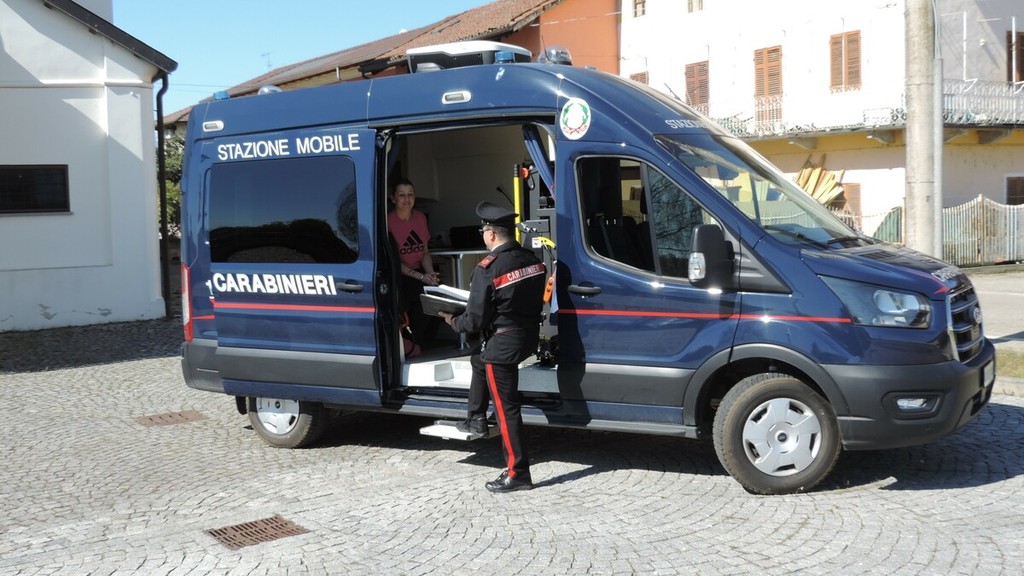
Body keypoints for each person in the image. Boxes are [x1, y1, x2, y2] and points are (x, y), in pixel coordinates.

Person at [439, 201, 546, 493]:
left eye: (483, 231)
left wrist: (452, 321)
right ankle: (476, 419)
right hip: (525, 337)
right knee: (478, 361)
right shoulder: (532, 259)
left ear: (491, 234)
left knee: (506, 410)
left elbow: (474, 320)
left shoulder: (488, 268)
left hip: (502, 345)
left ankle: (517, 473)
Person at [388, 178, 439, 356]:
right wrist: (421, 277)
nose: (406, 199)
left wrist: (430, 273)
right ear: (393, 198)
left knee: (438, 298)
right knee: (418, 303)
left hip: (419, 272)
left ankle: (421, 345)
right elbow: (394, 261)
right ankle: (410, 345)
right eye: (401, 195)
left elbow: (424, 252)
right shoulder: (388, 221)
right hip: (399, 274)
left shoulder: (420, 218)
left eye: (410, 195)